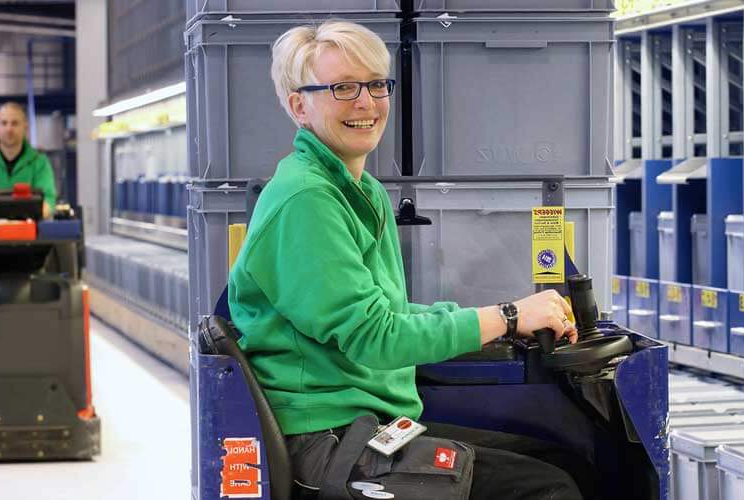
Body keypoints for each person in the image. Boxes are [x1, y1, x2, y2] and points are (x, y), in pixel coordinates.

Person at [228, 20, 592, 500]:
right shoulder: (305, 200)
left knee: (563, 460)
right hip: (325, 443)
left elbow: (390, 314)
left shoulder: (362, 191)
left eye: (376, 84)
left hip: (374, 425)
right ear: (300, 105)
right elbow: (375, 337)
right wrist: (506, 317)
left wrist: (509, 317)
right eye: (342, 87)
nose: (366, 102)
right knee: (548, 489)